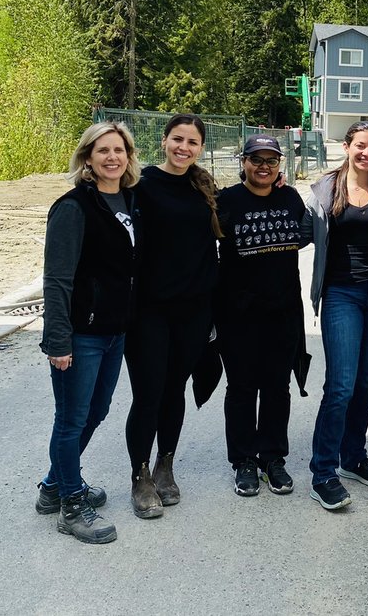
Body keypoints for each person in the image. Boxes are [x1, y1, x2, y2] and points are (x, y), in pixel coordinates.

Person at [37, 121, 140, 544]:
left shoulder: (131, 200)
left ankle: (52, 486)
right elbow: (57, 279)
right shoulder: (73, 207)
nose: (112, 157)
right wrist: (58, 340)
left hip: (116, 331)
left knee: (96, 413)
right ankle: (70, 505)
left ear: (129, 156)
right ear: (87, 158)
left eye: (119, 150)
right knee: (71, 419)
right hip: (82, 334)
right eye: (103, 151)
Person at [304, 121, 368, 511]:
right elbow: (300, 231)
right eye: (361, 146)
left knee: (366, 382)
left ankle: (353, 456)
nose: (367, 153)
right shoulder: (324, 191)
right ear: (347, 147)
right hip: (342, 294)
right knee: (341, 384)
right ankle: (322, 472)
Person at [126, 114, 221, 519]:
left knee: (175, 389)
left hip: (194, 310)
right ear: (163, 141)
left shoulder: (205, 187)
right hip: (149, 309)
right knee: (148, 393)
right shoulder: (141, 186)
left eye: (193, 142)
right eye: (177, 139)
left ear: (200, 148)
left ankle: (166, 466)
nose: (184, 147)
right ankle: (140, 475)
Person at [216, 135, 305, 498]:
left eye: (271, 160)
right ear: (244, 162)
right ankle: (243, 461)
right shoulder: (226, 201)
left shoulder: (291, 198)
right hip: (238, 314)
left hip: (283, 312)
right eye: (257, 159)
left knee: (276, 388)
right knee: (241, 388)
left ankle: (272, 457)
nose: (264, 166)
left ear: (280, 165)